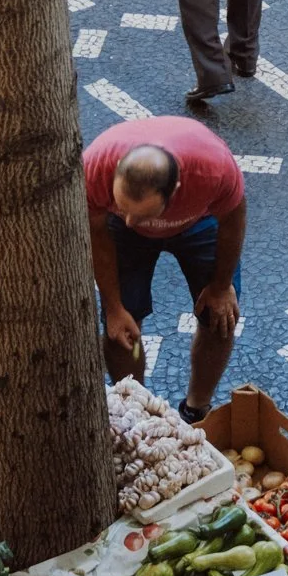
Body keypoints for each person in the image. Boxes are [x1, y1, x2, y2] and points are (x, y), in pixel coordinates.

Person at [83, 114, 247, 421]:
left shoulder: (212, 170)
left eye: (141, 214)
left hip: (199, 222)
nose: (132, 222)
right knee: (119, 330)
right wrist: (114, 306)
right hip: (116, 236)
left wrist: (221, 286)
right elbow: (97, 235)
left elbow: (233, 221)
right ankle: (137, 416)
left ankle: (197, 409)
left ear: (176, 189)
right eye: (124, 208)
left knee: (220, 319)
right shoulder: (95, 167)